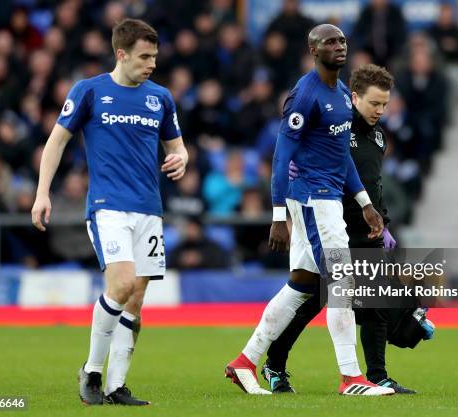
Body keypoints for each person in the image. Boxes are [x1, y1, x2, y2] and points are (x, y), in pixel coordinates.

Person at [224, 24, 394, 397]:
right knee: (342, 284)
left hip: (328, 197)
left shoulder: (342, 94)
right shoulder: (305, 95)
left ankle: (245, 361)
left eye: (342, 40)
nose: (339, 46)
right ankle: (351, 378)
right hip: (314, 199)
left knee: (302, 285)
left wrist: (365, 203)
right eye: (329, 42)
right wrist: (278, 215)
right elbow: (281, 155)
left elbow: (342, 158)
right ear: (313, 50)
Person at [31, 18, 188, 406]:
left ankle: (117, 386)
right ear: (121, 54)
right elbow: (56, 142)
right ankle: (92, 371)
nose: (152, 64)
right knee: (119, 285)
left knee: (135, 298)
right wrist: (42, 193)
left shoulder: (160, 98)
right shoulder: (90, 91)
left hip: (149, 209)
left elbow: (177, 147)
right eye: (144, 56)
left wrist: (180, 159)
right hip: (108, 207)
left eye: (155, 56)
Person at [262, 64, 433, 395]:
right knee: (310, 301)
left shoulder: (379, 136)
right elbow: (294, 160)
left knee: (373, 305)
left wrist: (380, 220)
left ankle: (378, 375)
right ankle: (274, 365)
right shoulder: (330, 130)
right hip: (331, 227)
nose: (380, 111)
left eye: (384, 104)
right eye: (374, 104)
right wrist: (285, 207)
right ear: (354, 98)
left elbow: (372, 183)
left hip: (365, 231)